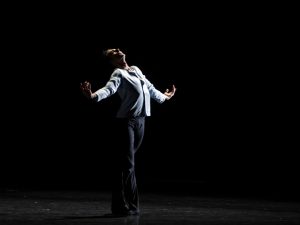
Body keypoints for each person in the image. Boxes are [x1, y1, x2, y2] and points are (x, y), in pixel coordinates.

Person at [80, 48, 176, 216]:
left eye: (117, 48)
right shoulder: (118, 73)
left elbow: (150, 88)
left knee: (124, 165)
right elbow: (109, 89)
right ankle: (131, 206)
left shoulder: (136, 69)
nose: (118, 49)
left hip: (141, 121)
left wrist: (165, 97)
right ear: (112, 60)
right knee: (128, 164)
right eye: (113, 51)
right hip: (127, 122)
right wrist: (93, 96)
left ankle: (119, 206)